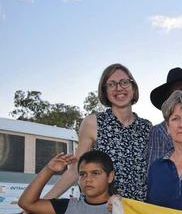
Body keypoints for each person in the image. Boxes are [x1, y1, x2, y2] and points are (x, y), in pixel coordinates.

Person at [37, 63, 152, 202]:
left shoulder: (146, 127)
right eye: (111, 84)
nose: (119, 88)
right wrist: (42, 202)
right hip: (99, 212)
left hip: (136, 212)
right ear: (105, 91)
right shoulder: (93, 123)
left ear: (133, 87)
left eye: (125, 82)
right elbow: (75, 170)